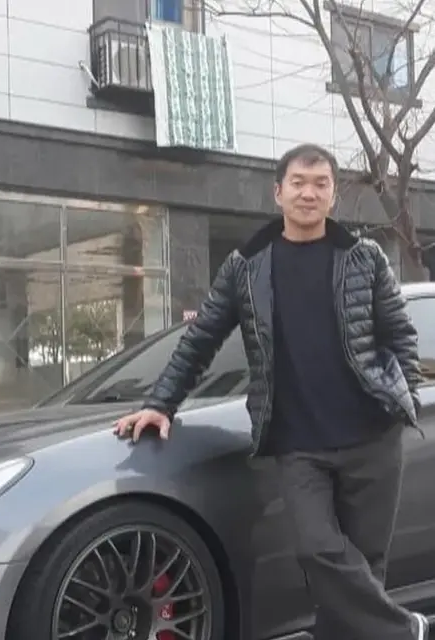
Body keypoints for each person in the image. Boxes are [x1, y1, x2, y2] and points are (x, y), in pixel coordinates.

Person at [113, 143, 429, 640]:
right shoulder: (246, 266)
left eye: (321, 184)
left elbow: (400, 335)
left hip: (373, 438)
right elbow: (202, 337)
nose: (309, 193)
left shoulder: (364, 258)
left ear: (333, 196)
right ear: (278, 192)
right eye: (298, 183)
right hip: (299, 443)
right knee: (317, 550)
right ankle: (407, 630)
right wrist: (160, 403)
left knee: (363, 569)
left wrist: (401, 396)